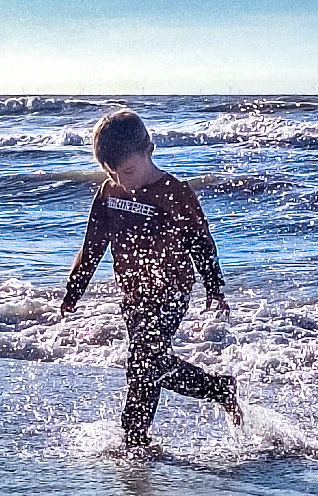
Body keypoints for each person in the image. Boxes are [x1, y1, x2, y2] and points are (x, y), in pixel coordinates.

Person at [60, 110, 242, 449]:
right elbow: (94, 243)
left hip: (170, 291)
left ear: (149, 151)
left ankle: (142, 433)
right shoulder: (109, 191)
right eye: (112, 173)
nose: (123, 181)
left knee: (144, 360)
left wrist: (214, 287)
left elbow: (200, 241)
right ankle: (201, 398)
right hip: (133, 295)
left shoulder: (174, 193)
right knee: (147, 364)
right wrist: (75, 289)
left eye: (127, 171)